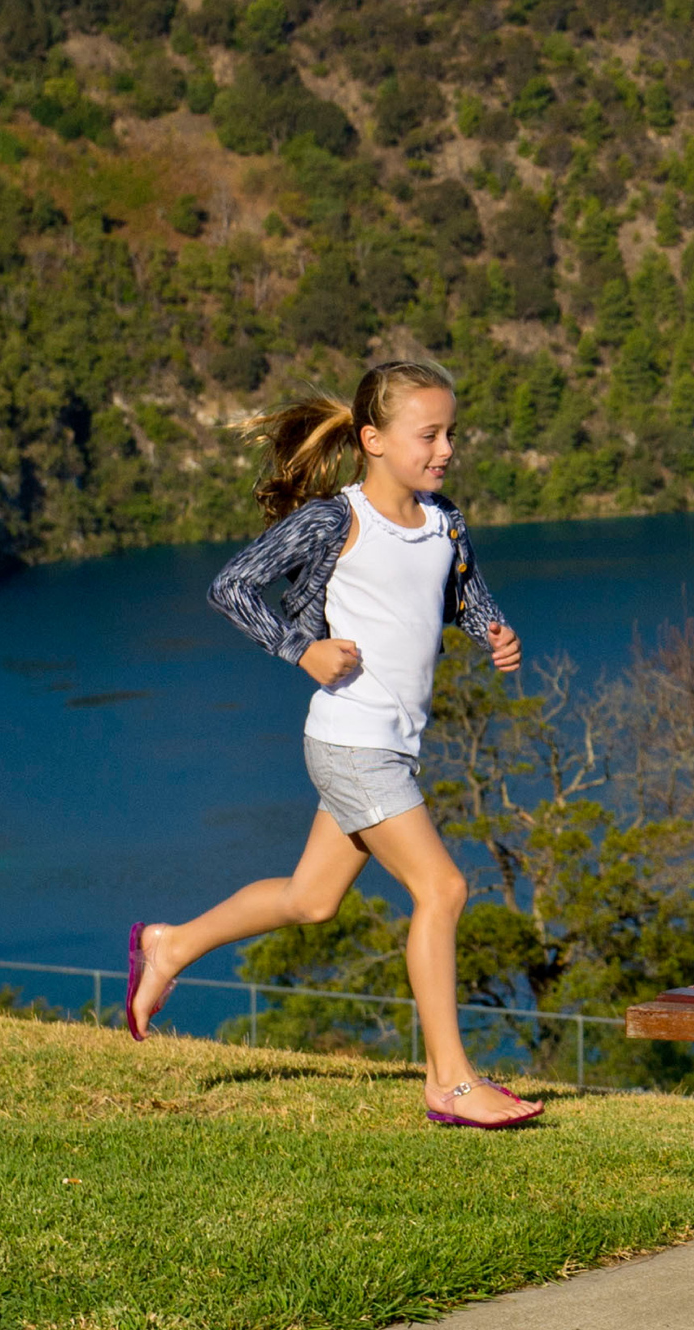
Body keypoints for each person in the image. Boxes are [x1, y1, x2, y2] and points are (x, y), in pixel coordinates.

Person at [123, 357, 540, 1130]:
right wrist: (299, 649)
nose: (446, 448)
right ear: (373, 439)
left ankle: (170, 945)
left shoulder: (443, 519)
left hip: (390, 744)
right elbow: (232, 587)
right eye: (430, 434)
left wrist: (491, 629)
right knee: (443, 890)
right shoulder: (333, 520)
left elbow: (459, 588)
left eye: (451, 432)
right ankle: (450, 1082)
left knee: (310, 900)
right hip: (353, 742)